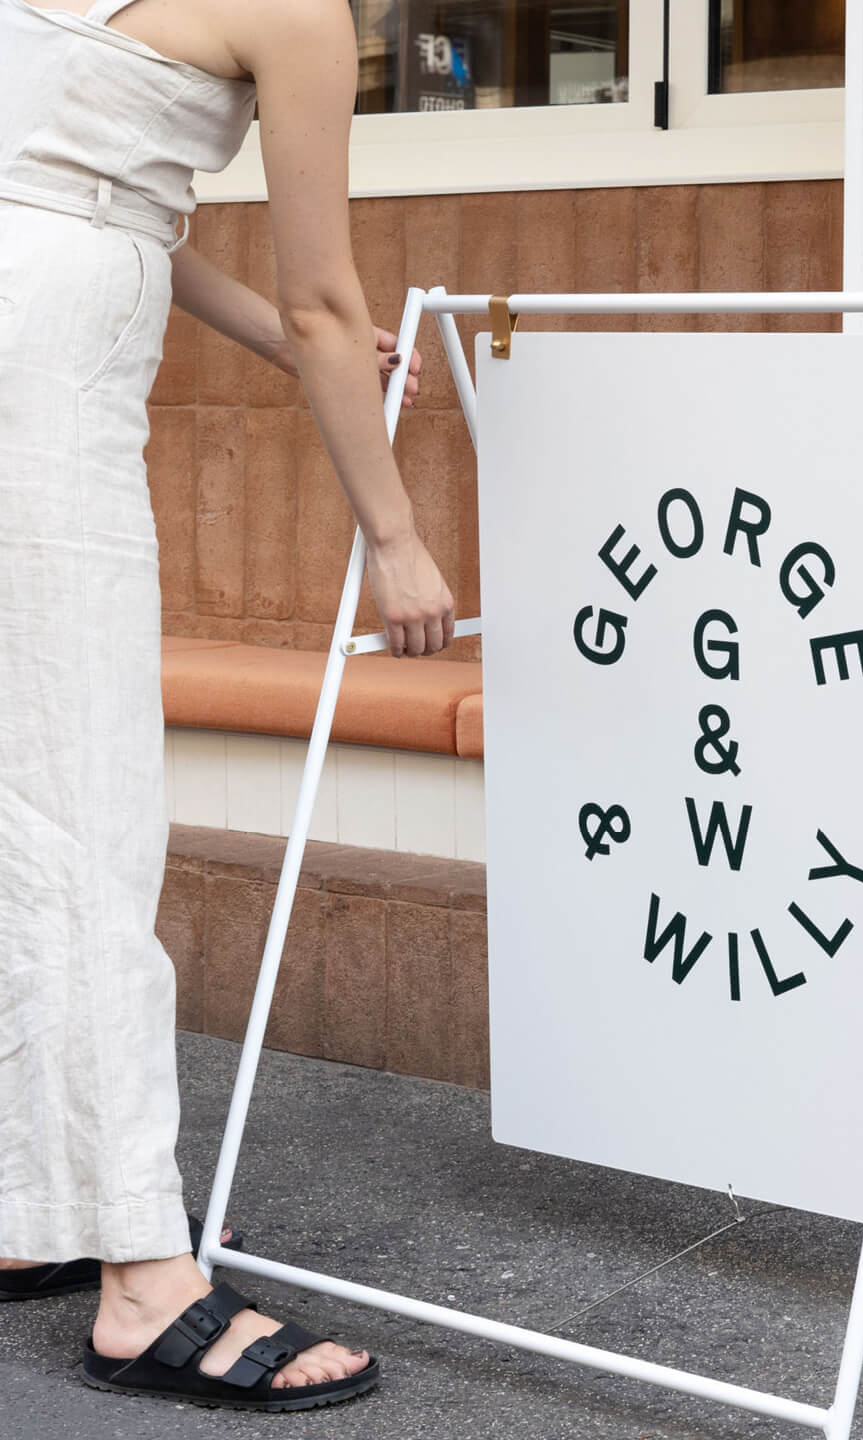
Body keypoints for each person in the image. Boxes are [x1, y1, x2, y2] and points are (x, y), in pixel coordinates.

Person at [0, 0, 456, 1411]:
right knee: (77, 807)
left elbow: (81, 180)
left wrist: (277, 339)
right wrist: (394, 532)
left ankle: (37, 1195)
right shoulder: (298, 13)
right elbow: (327, 297)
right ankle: (141, 1274)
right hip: (44, 374)